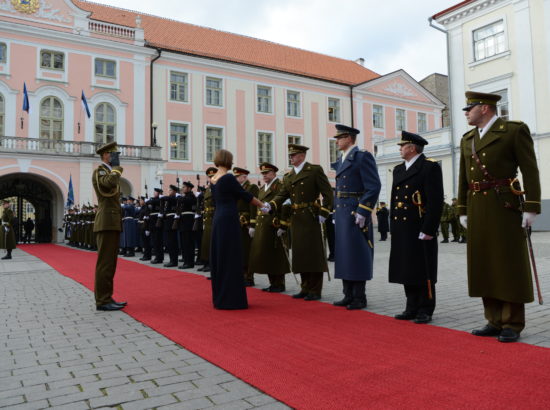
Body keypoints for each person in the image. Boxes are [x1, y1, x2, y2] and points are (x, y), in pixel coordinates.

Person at [458, 91, 541, 343]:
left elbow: (530, 169)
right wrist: (462, 209)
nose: (465, 112)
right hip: (478, 206)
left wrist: (531, 206)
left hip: (504, 205)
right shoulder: (468, 138)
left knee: (507, 263)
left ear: (484, 108)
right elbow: (463, 177)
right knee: (484, 262)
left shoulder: (513, 131)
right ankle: (493, 319)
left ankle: (512, 323)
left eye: (469, 108)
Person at [265, 144, 334, 301]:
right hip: (296, 218)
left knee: (313, 254)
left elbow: (327, 193)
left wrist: (325, 211)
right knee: (301, 254)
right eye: (290, 155)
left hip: (311, 216)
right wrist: (271, 204)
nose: (291, 158)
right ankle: (305, 287)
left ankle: (315, 290)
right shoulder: (288, 177)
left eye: (294, 155)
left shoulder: (314, 170)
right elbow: (282, 195)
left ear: (302, 156)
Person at [389, 131, 444, 324]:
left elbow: (435, 201)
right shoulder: (398, 169)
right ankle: (411, 306)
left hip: (419, 226)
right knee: (407, 267)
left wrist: (429, 228)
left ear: (412, 148)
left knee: (423, 268)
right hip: (402, 226)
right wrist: (392, 225)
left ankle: (425, 308)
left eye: (402, 146)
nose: (400, 149)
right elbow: (394, 199)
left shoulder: (429, 167)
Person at [330, 124, 381, 310]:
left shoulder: (362, 157)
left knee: (357, 253)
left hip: (355, 210)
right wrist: (335, 211)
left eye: (339, 137)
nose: (336, 141)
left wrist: (363, 210)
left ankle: (359, 296)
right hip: (342, 210)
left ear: (349, 139)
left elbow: (373, 186)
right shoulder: (342, 158)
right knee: (344, 253)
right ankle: (347, 294)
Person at [209, 149, 265, 309]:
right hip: (228, 219)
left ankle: (220, 297)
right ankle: (231, 299)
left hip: (218, 218)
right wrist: (263, 205)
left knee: (221, 256)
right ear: (229, 160)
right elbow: (245, 195)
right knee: (231, 256)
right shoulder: (228, 178)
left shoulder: (213, 179)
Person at [92, 142, 127, 311]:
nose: (116, 157)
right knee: (105, 263)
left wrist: (115, 171)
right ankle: (102, 301)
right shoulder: (100, 171)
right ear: (106, 155)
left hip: (111, 221)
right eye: (114, 154)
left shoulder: (108, 171)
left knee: (110, 262)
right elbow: (108, 185)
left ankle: (107, 296)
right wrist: (116, 169)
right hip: (106, 221)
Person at [248, 162, 291, 292]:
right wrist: (253, 225)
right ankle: (272, 282)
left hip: (274, 224)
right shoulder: (262, 189)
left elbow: (285, 206)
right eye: (263, 173)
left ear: (273, 173)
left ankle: (279, 283)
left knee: (276, 254)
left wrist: (283, 225)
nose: (264, 176)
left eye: (267, 173)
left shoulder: (280, 186)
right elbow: (257, 208)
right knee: (266, 254)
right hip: (263, 225)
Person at [234, 166, 260, 286]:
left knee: (247, 250)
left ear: (244, 177)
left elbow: (253, 206)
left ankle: (249, 277)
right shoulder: (236, 188)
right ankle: (241, 275)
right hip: (237, 222)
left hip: (246, 223)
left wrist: (252, 224)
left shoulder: (251, 187)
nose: (235, 179)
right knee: (239, 250)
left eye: (237, 177)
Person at [198, 167, 217, 274]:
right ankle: (206, 263)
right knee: (205, 243)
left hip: (214, 217)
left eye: (213, 176)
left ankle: (211, 264)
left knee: (211, 243)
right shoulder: (209, 189)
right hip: (207, 219)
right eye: (209, 177)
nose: (211, 178)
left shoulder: (217, 188)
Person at [176, 181, 196, 269]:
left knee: (188, 243)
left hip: (188, 222)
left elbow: (184, 201)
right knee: (184, 243)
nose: (183, 188)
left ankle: (189, 262)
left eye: (184, 187)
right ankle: (186, 261)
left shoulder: (191, 196)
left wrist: (180, 197)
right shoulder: (185, 196)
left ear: (189, 188)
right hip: (183, 222)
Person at [163, 185, 179, 268]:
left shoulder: (174, 198)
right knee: (169, 242)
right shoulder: (170, 198)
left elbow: (170, 199)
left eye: (170, 190)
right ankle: (171, 259)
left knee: (172, 242)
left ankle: (174, 261)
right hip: (168, 221)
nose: (168, 192)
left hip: (172, 220)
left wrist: (162, 197)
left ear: (174, 191)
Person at [149, 188, 164, 264]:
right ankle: (157, 257)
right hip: (153, 223)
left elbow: (150, 202)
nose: (154, 193)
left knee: (158, 241)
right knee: (155, 241)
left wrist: (148, 201)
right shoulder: (154, 200)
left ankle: (159, 257)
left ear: (159, 193)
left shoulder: (159, 200)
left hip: (157, 223)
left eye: (155, 192)